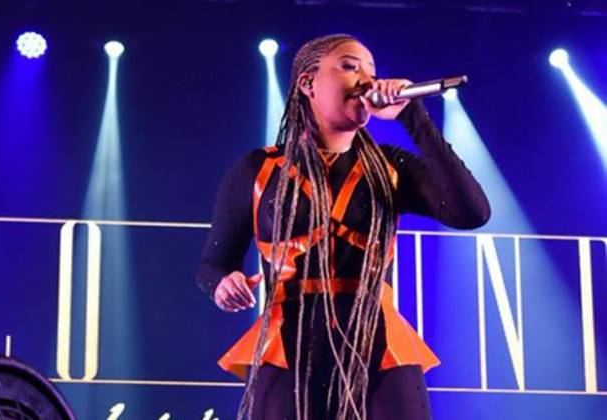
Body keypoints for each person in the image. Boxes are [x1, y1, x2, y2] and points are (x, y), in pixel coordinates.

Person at [197, 34, 490, 420]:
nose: (366, 79)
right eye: (350, 67)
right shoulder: (260, 168)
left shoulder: (390, 166)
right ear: (308, 83)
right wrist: (222, 283)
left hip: (378, 343)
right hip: (286, 344)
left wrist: (413, 118)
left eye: (372, 70)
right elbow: (213, 264)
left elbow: (471, 213)